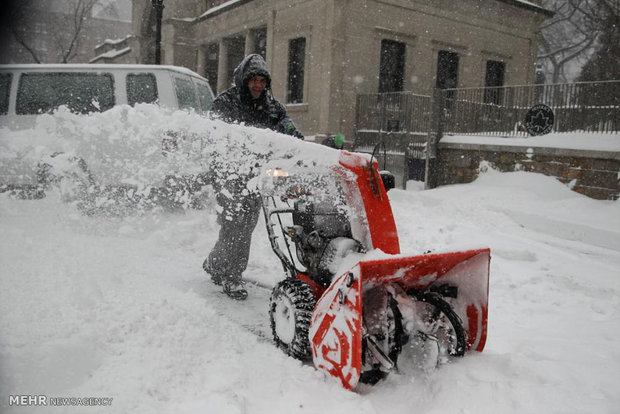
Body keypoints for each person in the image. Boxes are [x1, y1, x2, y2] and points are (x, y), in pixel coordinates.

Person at [204, 54, 304, 300]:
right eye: (253, 80)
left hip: (255, 176)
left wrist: (303, 147)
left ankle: (215, 264)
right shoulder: (225, 103)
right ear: (243, 80)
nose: (258, 85)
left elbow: (290, 130)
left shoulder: (272, 108)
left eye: (262, 80)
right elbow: (213, 137)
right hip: (228, 174)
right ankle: (232, 275)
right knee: (236, 224)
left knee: (242, 225)